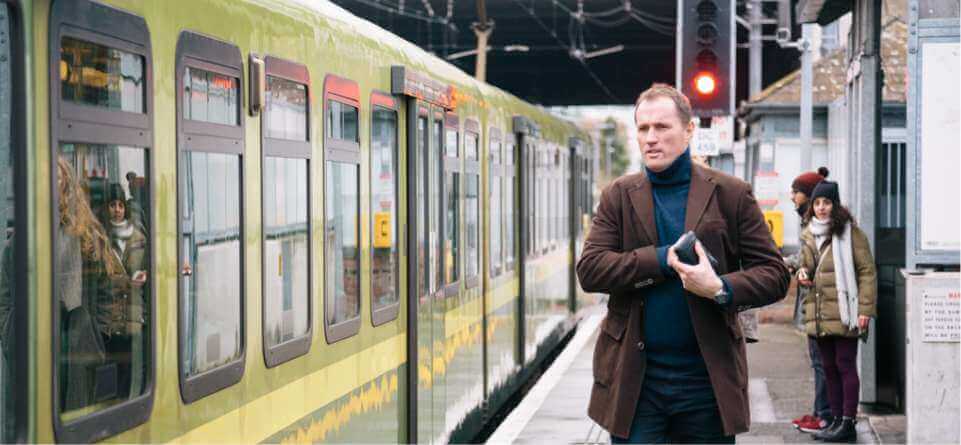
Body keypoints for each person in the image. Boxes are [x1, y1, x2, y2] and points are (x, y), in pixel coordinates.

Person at [576, 83, 790, 443]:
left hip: (707, 382)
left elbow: (774, 274)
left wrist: (720, 288)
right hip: (635, 381)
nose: (651, 138)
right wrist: (661, 260)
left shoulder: (730, 194)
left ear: (689, 130)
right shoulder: (619, 195)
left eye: (662, 127)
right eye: (643, 129)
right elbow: (591, 270)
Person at [798, 180, 876, 442]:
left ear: (835, 205)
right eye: (817, 203)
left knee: (844, 365)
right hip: (819, 312)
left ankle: (848, 423)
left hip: (846, 311)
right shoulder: (809, 233)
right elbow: (806, 264)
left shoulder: (851, 234)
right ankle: (834, 421)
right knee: (828, 367)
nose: (821, 208)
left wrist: (865, 309)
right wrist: (802, 271)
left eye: (827, 203)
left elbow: (867, 271)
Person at [786, 167, 833, 433]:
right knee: (818, 360)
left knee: (821, 361)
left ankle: (824, 414)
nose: (792, 196)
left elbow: (814, 260)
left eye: (796, 192)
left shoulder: (820, 226)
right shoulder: (809, 223)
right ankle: (820, 411)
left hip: (822, 304)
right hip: (815, 302)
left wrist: (794, 265)